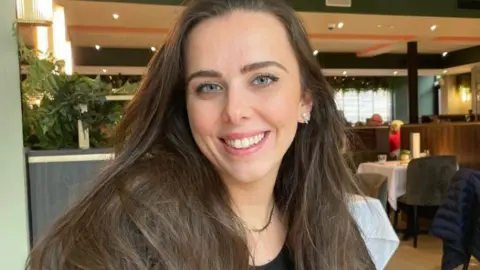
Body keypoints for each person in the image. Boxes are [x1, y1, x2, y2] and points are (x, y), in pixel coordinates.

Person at [26, 0, 390, 269]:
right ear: (184, 105)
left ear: (305, 101)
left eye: (263, 79)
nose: (235, 110)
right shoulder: (132, 237)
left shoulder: (329, 221)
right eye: (209, 87)